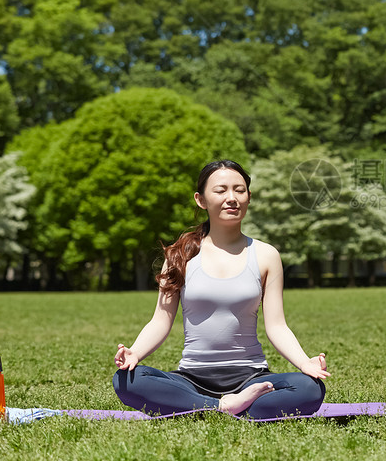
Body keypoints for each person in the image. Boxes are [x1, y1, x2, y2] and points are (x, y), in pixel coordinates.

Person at [112, 160, 329, 418]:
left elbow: (277, 326)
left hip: (251, 377)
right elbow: (161, 320)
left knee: (309, 389)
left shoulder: (266, 255)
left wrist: (305, 363)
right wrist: (134, 353)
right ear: (201, 200)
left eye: (239, 190)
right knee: (126, 380)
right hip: (191, 377)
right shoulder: (180, 255)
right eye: (221, 190)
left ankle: (200, 406)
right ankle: (224, 407)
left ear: (249, 197)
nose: (232, 198)